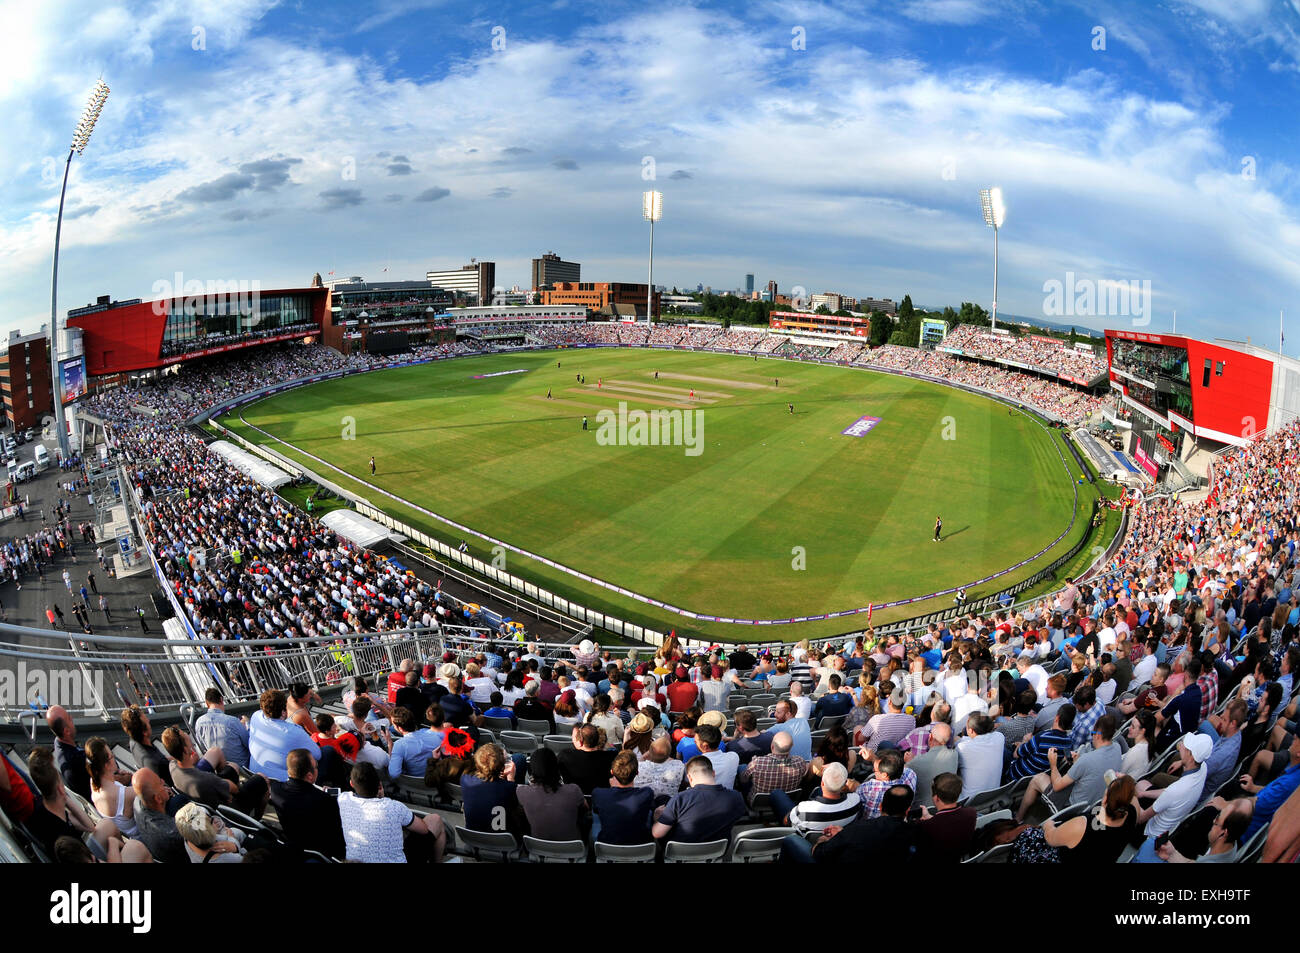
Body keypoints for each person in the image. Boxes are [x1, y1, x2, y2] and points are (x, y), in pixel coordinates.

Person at [337, 762, 445, 863]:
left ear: (351, 784)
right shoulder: (395, 807)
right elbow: (424, 829)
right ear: (379, 785)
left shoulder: (343, 799)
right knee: (435, 819)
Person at [1133, 733, 1213, 862]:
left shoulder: (1176, 790)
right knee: (1142, 785)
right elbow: (1169, 793)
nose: (1181, 745)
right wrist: (1143, 794)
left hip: (1150, 835)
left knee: (1132, 795)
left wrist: (1131, 794)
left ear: (1191, 756)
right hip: (1170, 824)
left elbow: (1141, 818)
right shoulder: (1203, 767)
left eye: (1185, 747)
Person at [794, 783, 919, 864]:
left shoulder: (858, 829)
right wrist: (843, 833)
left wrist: (822, 840)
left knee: (792, 841)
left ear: (880, 807)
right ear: (907, 810)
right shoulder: (916, 832)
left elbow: (819, 853)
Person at [268, 749, 346, 860]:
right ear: (309, 776)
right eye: (316, 766)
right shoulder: (325, 800)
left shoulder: (275, 789)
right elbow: (336, 831)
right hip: (321, 851)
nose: (317, 768)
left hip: (293, 843)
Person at [651, 756, 747, 844]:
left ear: (689, 777)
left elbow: (657, 834)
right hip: (717, 852)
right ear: (713, 773)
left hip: (682, 854)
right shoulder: (736, 797)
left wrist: (656, 818)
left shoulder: (679, 799)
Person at [247, 689, 321, 782]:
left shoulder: (255, 717)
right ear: (283, 712)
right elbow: (317, 754)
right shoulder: (293, 731)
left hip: (256, 777)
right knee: (327, 752)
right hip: (282, 783)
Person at [516, 748, 587, 841]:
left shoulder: (522, 792)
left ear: (532, 769)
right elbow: (585, 809)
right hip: (572, 848)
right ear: (556, 767)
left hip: (538, 847)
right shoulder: (574, 790)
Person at [592, 751, 654, 845]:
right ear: (637, 773)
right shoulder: (647, 793)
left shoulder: (598, 793)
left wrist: (612, 789)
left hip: (607, 845)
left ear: (612, 772)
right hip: (640, 846)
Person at [916, 772, 977, 862]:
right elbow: (947, 823)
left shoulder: (925, 826)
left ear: (936, 798)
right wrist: (930, 817)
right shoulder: (971, 813)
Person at [461, 744, 521, 834]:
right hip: (501, 835)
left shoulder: (465, 780)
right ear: (502, 767)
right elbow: (512, 804)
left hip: (473, 833)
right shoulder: (509, 787)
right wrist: (511, 779)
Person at [130, 768, 187, 864]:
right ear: (158, 799)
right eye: (160, 783)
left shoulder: (137, 802)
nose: (163, 781)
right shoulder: (174, 832)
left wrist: (163, 794)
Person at [85, 737, 137, 837]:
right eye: (112, 756)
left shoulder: (93, 782)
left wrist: (116, 773)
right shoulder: (124, 794)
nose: (114, 757)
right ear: (106, 765)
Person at [192, 688, 251, 770]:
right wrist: (247, 725)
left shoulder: (199, 722)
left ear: (207, 703)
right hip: (242, 768)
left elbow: (202, 748)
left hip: (219, 769)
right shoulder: (232, 721)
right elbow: (249, 744)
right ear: (221, 699)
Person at [174, 802, 245, 864]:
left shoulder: (188, 834)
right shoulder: (229, 859)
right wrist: (235, 846)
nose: (214, 819)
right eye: (210, 821)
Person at [559, 724, 616, 793]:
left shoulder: (565, 755)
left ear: (580, 741)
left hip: (573, 798)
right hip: (602, 799)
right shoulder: (612, 757)